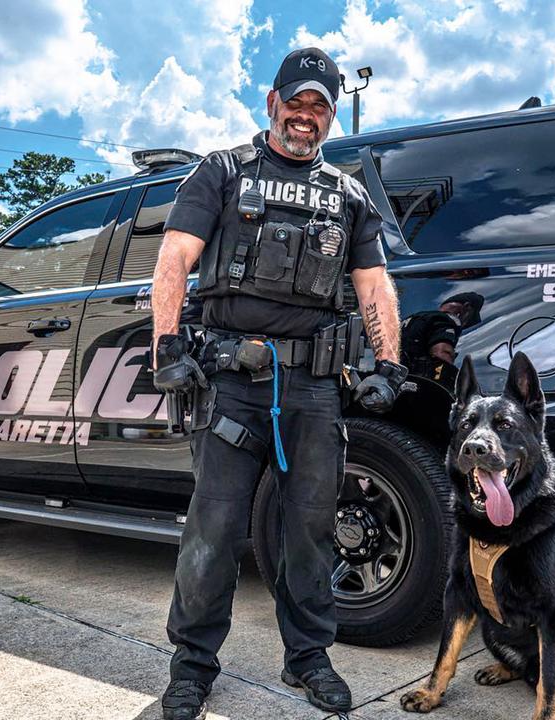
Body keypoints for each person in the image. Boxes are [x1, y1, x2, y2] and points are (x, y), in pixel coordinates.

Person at [150, 47, 406, 719]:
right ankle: (192, 666)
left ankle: (309, 658)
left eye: (319, 106)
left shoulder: (347, 197)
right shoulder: (223, 172)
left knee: (312, 533)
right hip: (232, 380)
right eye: (296, 102)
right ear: (272, 103)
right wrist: (168, 346)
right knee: (213, 529)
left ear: (329, 117)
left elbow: (374, 286)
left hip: (314, 390)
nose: (306, 115)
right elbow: (176, 256)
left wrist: (388, 362)